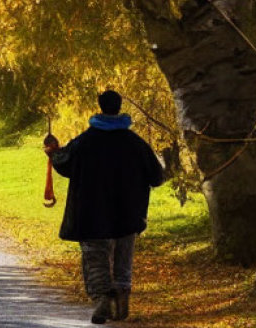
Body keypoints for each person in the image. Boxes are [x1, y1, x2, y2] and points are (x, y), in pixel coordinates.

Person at [44, 90, 165, 325]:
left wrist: (53, 151)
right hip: (129, 213)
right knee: (123, 258)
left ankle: (102, 301)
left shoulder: (85, 141)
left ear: (100, 107)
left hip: (91, 213)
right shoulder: (135, 143)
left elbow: (64, 163)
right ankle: (121, 300)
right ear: (119, 108)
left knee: (95, 258)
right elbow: (156, 176)